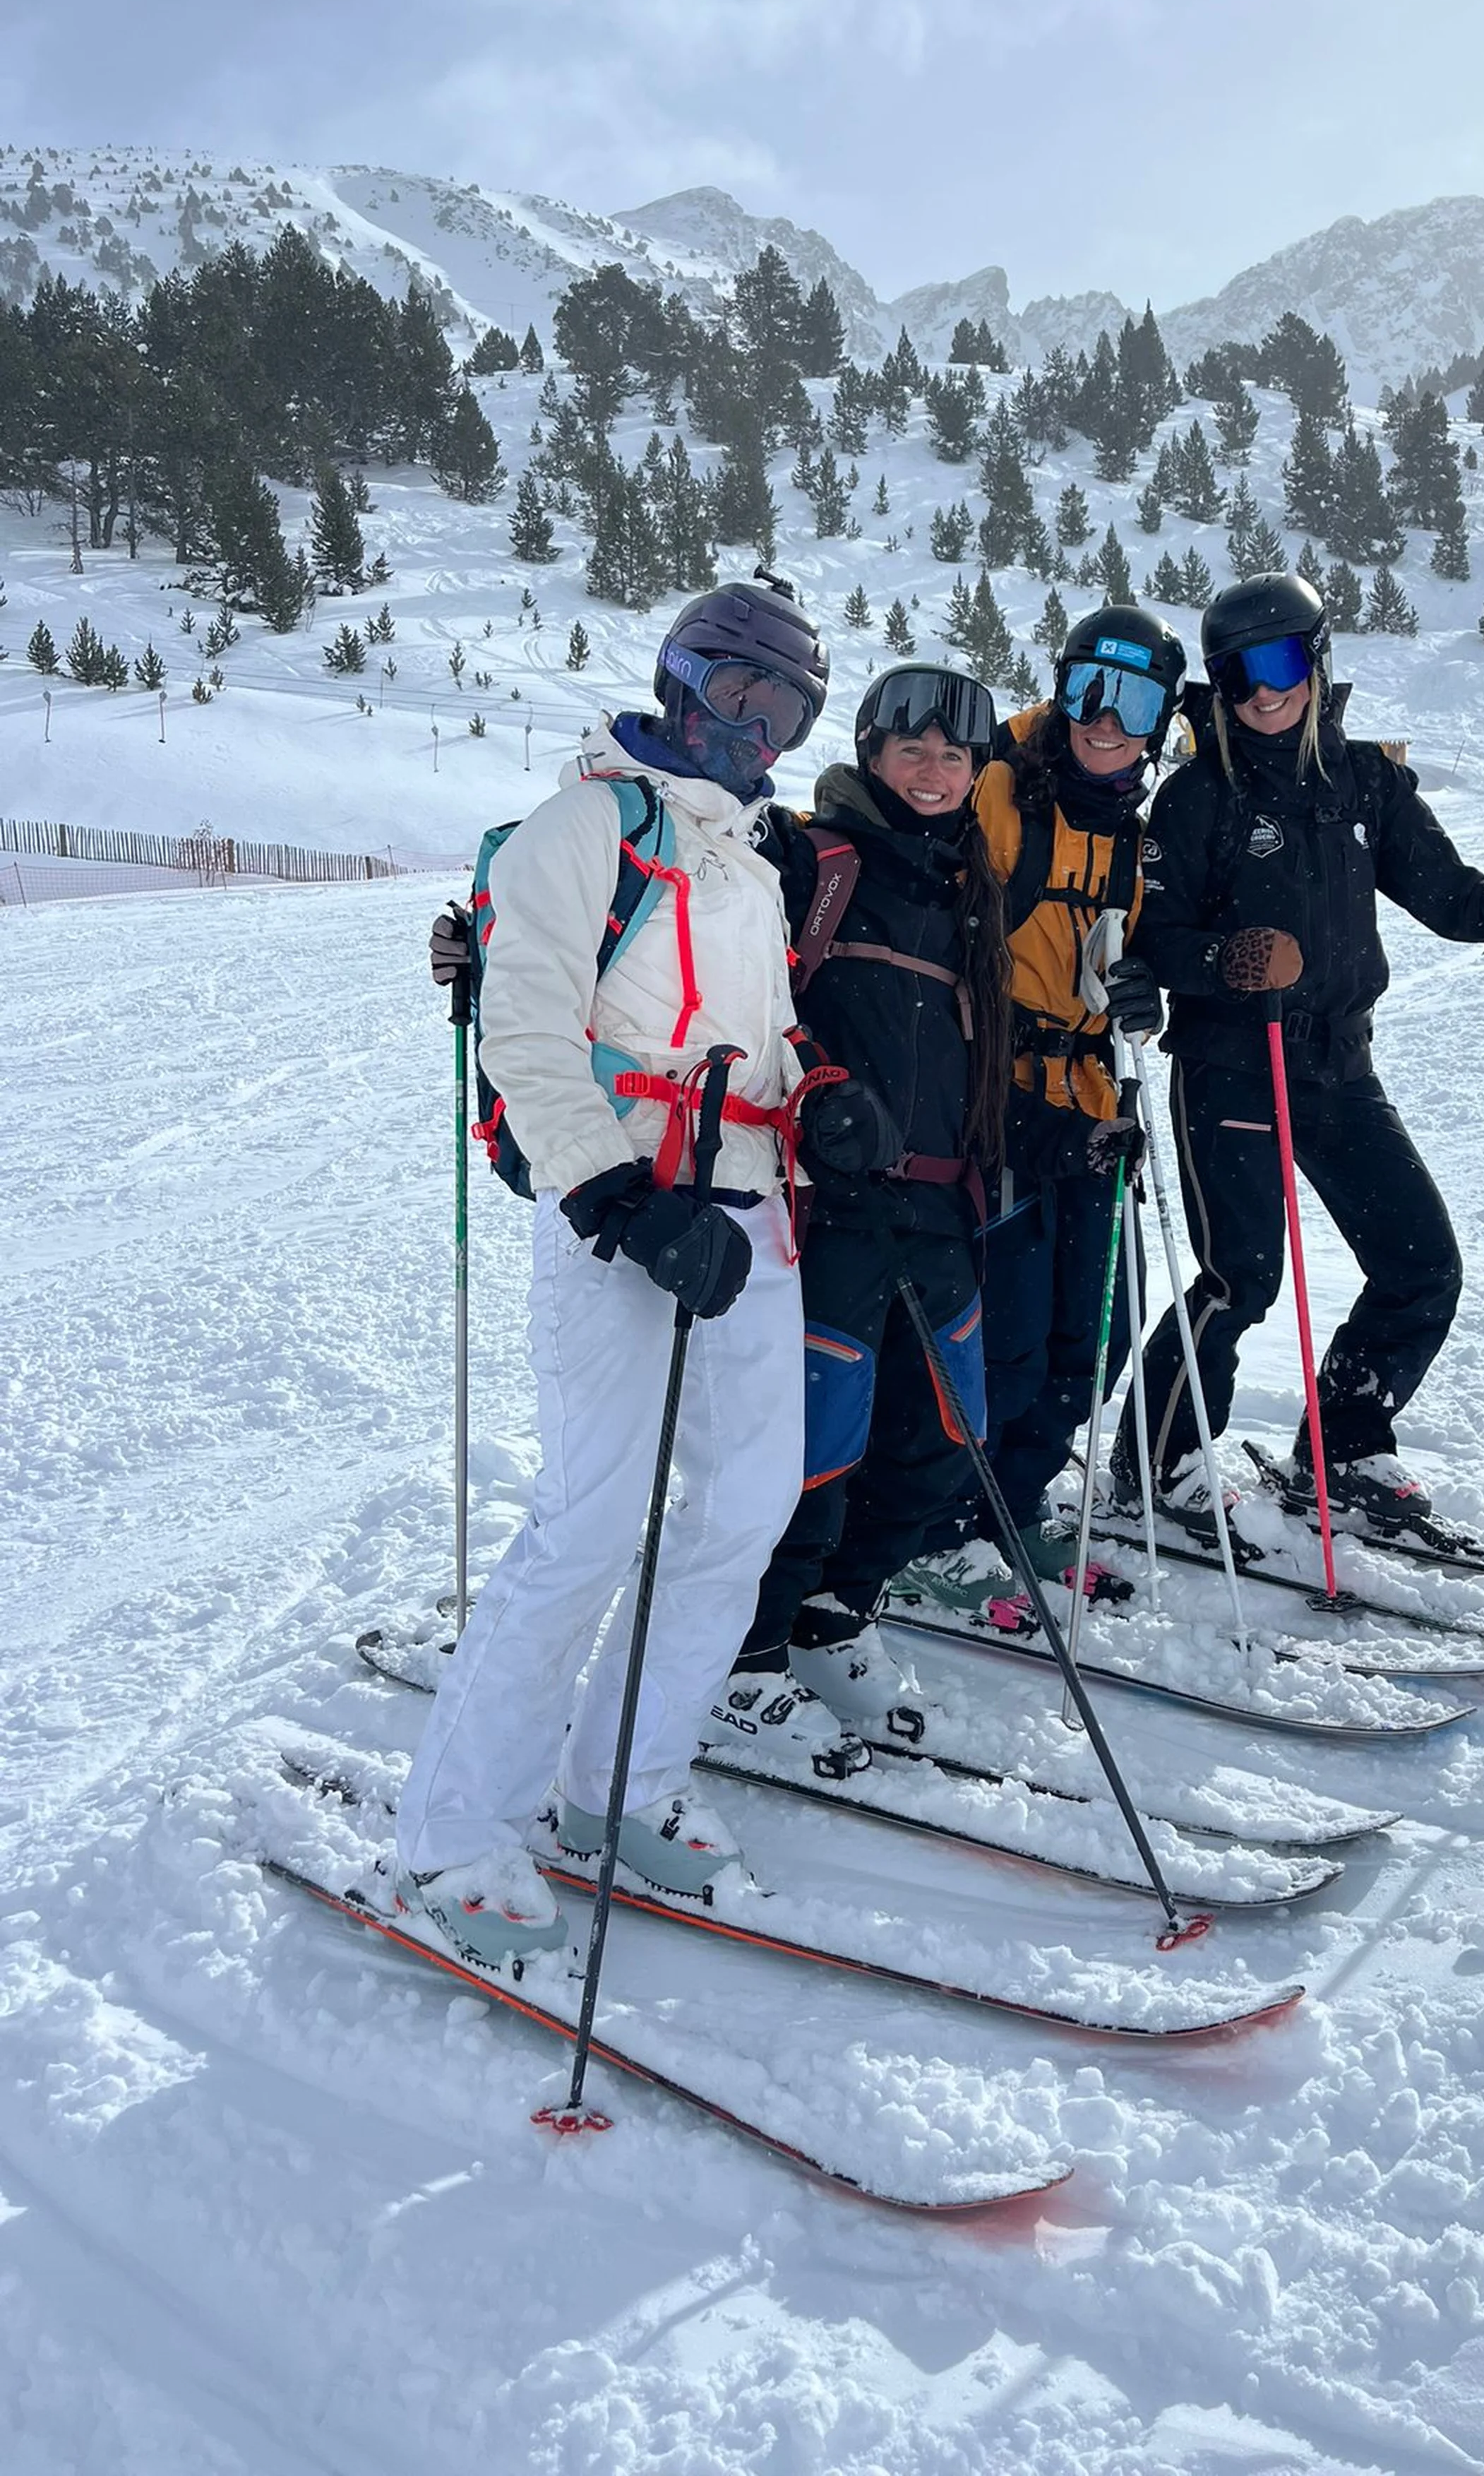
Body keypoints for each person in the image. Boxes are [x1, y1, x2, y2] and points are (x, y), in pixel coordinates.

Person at [394, 574, 886, 1969]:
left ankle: (625, 1781)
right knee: (591, 1522)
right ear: (680, 684)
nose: (757, 727)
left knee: (741, 1507)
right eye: (738, 693)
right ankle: (453, 1833)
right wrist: (619, 1197)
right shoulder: (582, 827)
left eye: (785, 707)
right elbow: (530, 1038)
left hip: (749, 1216)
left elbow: (758, 1039)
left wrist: (828, 1096)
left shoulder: (748, 856)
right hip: (623, 1209)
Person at [1116, 569, 1484, 1539]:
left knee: (1422, 1264)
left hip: (1337, 1065)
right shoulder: (1195, 799)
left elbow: (1462, 903)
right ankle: (1155, 1462)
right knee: (1241, 1279)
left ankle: (1346, 1444)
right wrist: (1230, 961)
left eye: (1280, 662)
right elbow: (1150, 943)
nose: (1262, 692)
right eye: (1237, 675)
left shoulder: (1367, 783)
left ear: (1318, 661)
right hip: (1231, 1069)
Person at [702, 663, 1011, 1768]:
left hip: (940, 1202)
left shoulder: (970, 883)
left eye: (955, 759)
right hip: (827, 1202)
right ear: (872, 754)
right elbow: (695, 937)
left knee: (943, 1432)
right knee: (818, 1448)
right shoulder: (809, 856)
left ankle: (836, 1611)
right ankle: (744, 1657)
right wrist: (490, 924)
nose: (934, 775)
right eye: (912, 753)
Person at [949, 605, 1180, 1593]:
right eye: (1089, 686)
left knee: (1102, 1327)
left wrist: (1146, 988)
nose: (1104, 717)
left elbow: (1138, 951)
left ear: (1163, 719)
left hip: (1092, 1102)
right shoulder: (996, 792)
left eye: (1133, 700)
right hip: (993, 1105)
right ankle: (951, 1522)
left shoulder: (1136, 832)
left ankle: (1020, 1496)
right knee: (1007, 1335)